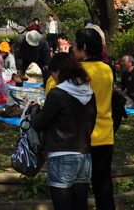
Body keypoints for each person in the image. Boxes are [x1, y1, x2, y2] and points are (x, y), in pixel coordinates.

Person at [48, 27, 114, 210]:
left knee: (74, 195)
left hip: (78, 140)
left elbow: (51, 92)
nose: (72, 50)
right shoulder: (107, 70)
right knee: (104, 189)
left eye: (74, 46)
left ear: (83, 47)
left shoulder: (73, 73)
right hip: (105, 137)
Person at [32, 52, 96, 210]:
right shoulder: (89, 92)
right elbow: (91, 122)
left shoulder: (58, 93)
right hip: (84, 156)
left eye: (53, 73)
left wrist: (34, 109)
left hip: (61, 156)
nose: (53, 78)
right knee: (80, 205)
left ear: (59, 71)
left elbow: (38, 124)